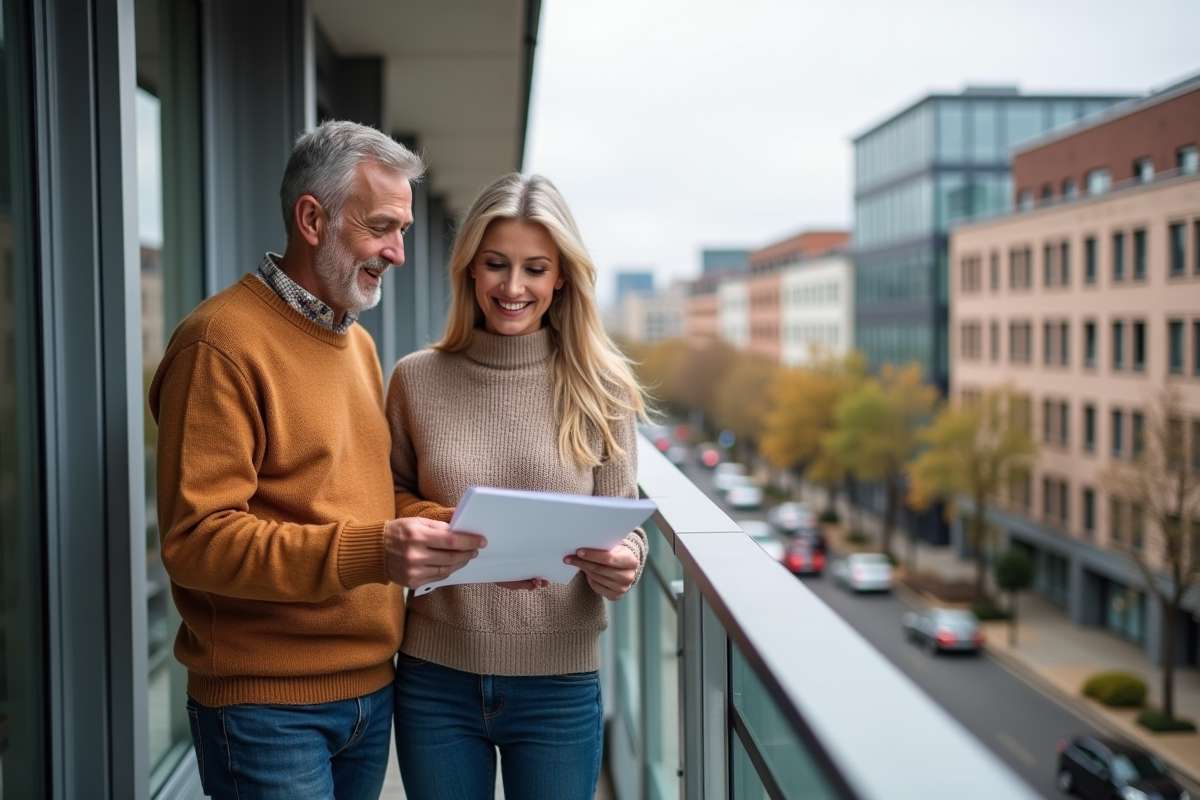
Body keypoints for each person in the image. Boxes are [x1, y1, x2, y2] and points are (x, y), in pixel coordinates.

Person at [148, 120, 486, 800]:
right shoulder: (218, 344)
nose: (397, 252)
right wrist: (374, 551)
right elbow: (197, 542)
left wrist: (464, 530)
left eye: (403, 231)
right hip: (264, 708)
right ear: (312, 218)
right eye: (381, 228)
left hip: (369, 693)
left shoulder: (356, 345)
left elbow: (367, 503)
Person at [385, 172, 648, 800]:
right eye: (496, 264)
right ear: (470, 268)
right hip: (435, 678)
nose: (513, 286)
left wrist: (626, 560)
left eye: (535, 268)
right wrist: (457, 529)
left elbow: (624, 520)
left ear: (561, 277)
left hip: (559, 684)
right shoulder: (414, 380)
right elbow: (386, 502)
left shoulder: (601, 387)